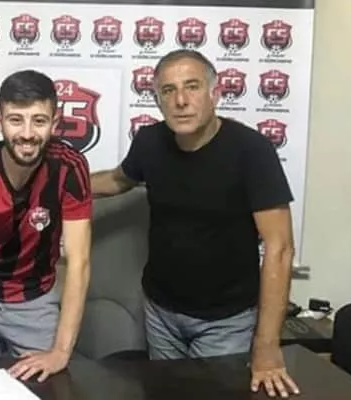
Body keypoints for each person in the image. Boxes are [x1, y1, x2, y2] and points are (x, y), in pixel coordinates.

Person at [90, 49, 300, 398]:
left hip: (226, 321)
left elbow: (280, 248)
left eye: (192, 86)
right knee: (165, 394)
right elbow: (118, 180)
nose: (181, 101)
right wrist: (59, 182)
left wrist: (266, 345)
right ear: (157, 100)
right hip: (161, 312)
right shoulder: (150, 141)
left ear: (214, 93)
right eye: (168, 90)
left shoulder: (251, 150)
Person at [0, 70, 92, 383]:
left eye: (39, 120)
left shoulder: (70, 167)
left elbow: (79, 261)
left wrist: (61, 351)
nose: (27, 133)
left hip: (36, 302)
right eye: (15, 120)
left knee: (47, 387)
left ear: (55, 122)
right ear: (0, 122)